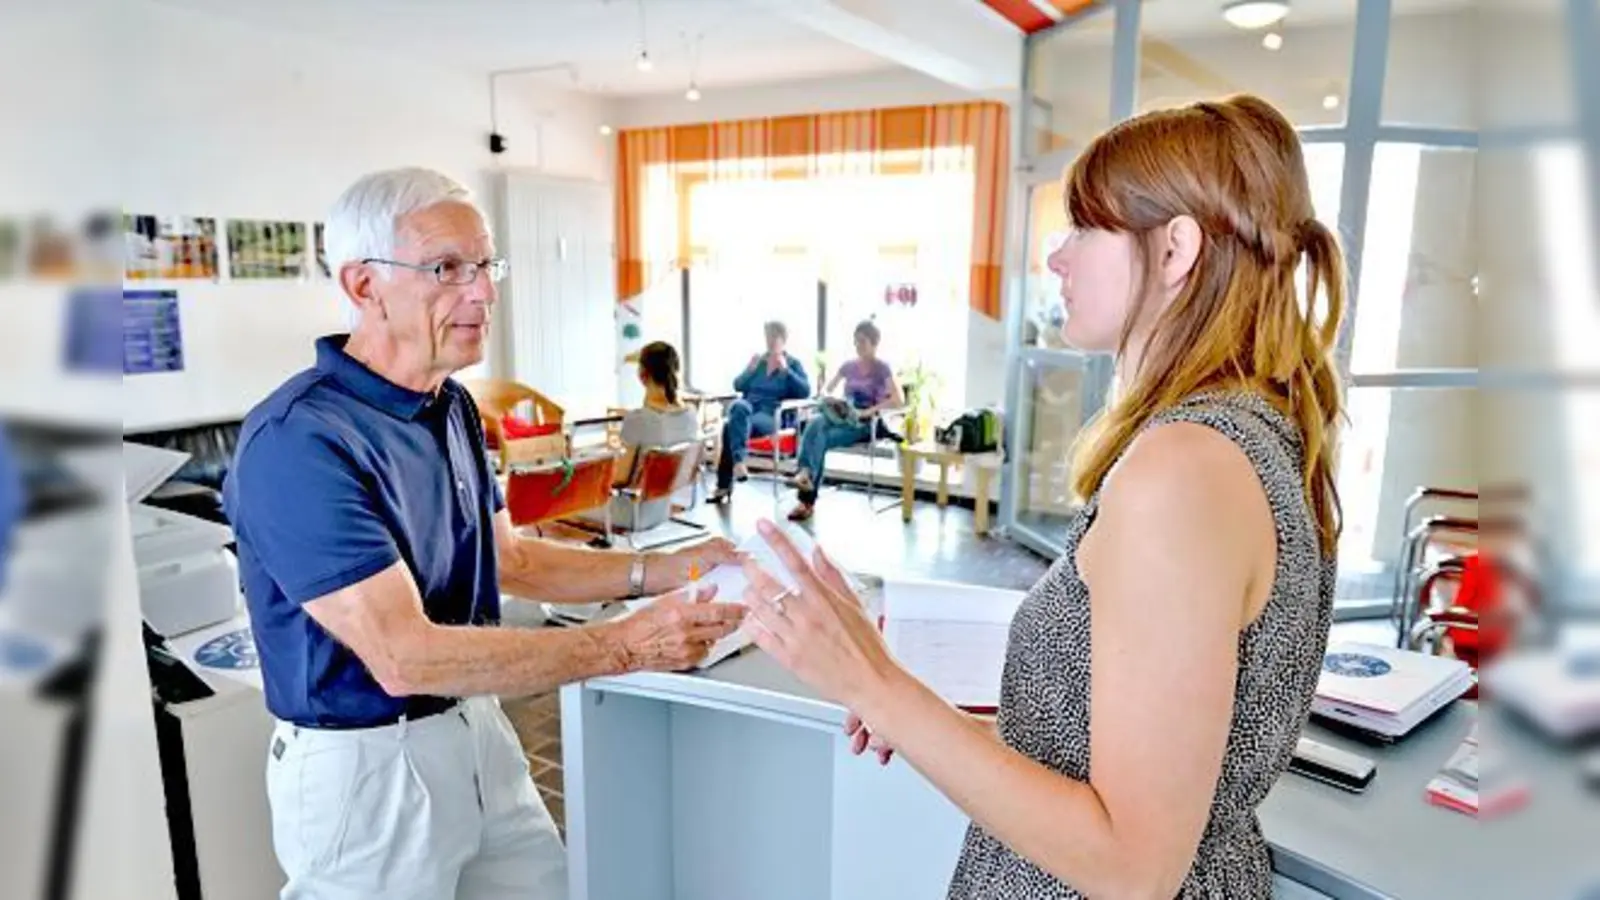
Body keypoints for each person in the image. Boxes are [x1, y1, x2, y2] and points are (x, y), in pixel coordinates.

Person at [740, 94, 1346, 899]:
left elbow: (1133, 865)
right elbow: (1107, 754)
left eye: (1084, 229)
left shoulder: (1183, 470)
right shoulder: (1249, 435)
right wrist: (914, 713)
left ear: (1175, 252)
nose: (1056, 259)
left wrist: (872, 685)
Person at [221, 167, 746, 900]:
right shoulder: (299, 440)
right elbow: (404, 657)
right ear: (363, 285)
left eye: (485, 264)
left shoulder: (452, 406)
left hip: (475, 724)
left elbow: (510, 558)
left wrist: (668, 568)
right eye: (447, 269)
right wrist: (627, 645)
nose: (484, 291)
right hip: (369, 770)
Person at [785, 319, 903, 522]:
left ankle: (806, 499)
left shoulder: (882, 368)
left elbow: (898, 400)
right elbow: (827, 389)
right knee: (815, 423)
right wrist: (828, 397)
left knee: (821, 438)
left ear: (874, 343)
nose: (858, 346)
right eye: (856, 341)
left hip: (863, 422)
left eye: (863, 342)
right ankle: (805, 474)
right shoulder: (848, 366)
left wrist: (870, 411)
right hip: (842, 415)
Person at [588, 340, 700, 533]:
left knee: (565, 497)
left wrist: (593, 469)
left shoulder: (639, 419)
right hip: (663, 509)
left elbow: (619, 479)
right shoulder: (690, 414)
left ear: (642, 376)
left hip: (630, 514)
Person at [708, 320, 811, 504]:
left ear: (783, 339)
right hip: (749, 407)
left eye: (774, 337)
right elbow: (738, 385)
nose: (770, 341)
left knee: (728, 428)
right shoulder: (760, 363)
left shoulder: (793, 364)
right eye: (768, 336)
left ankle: (724, 485)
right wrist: (750, 369)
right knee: (738, 407)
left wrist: (786, 371)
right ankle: (739, 464)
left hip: (772, 414)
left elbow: (805, 392)